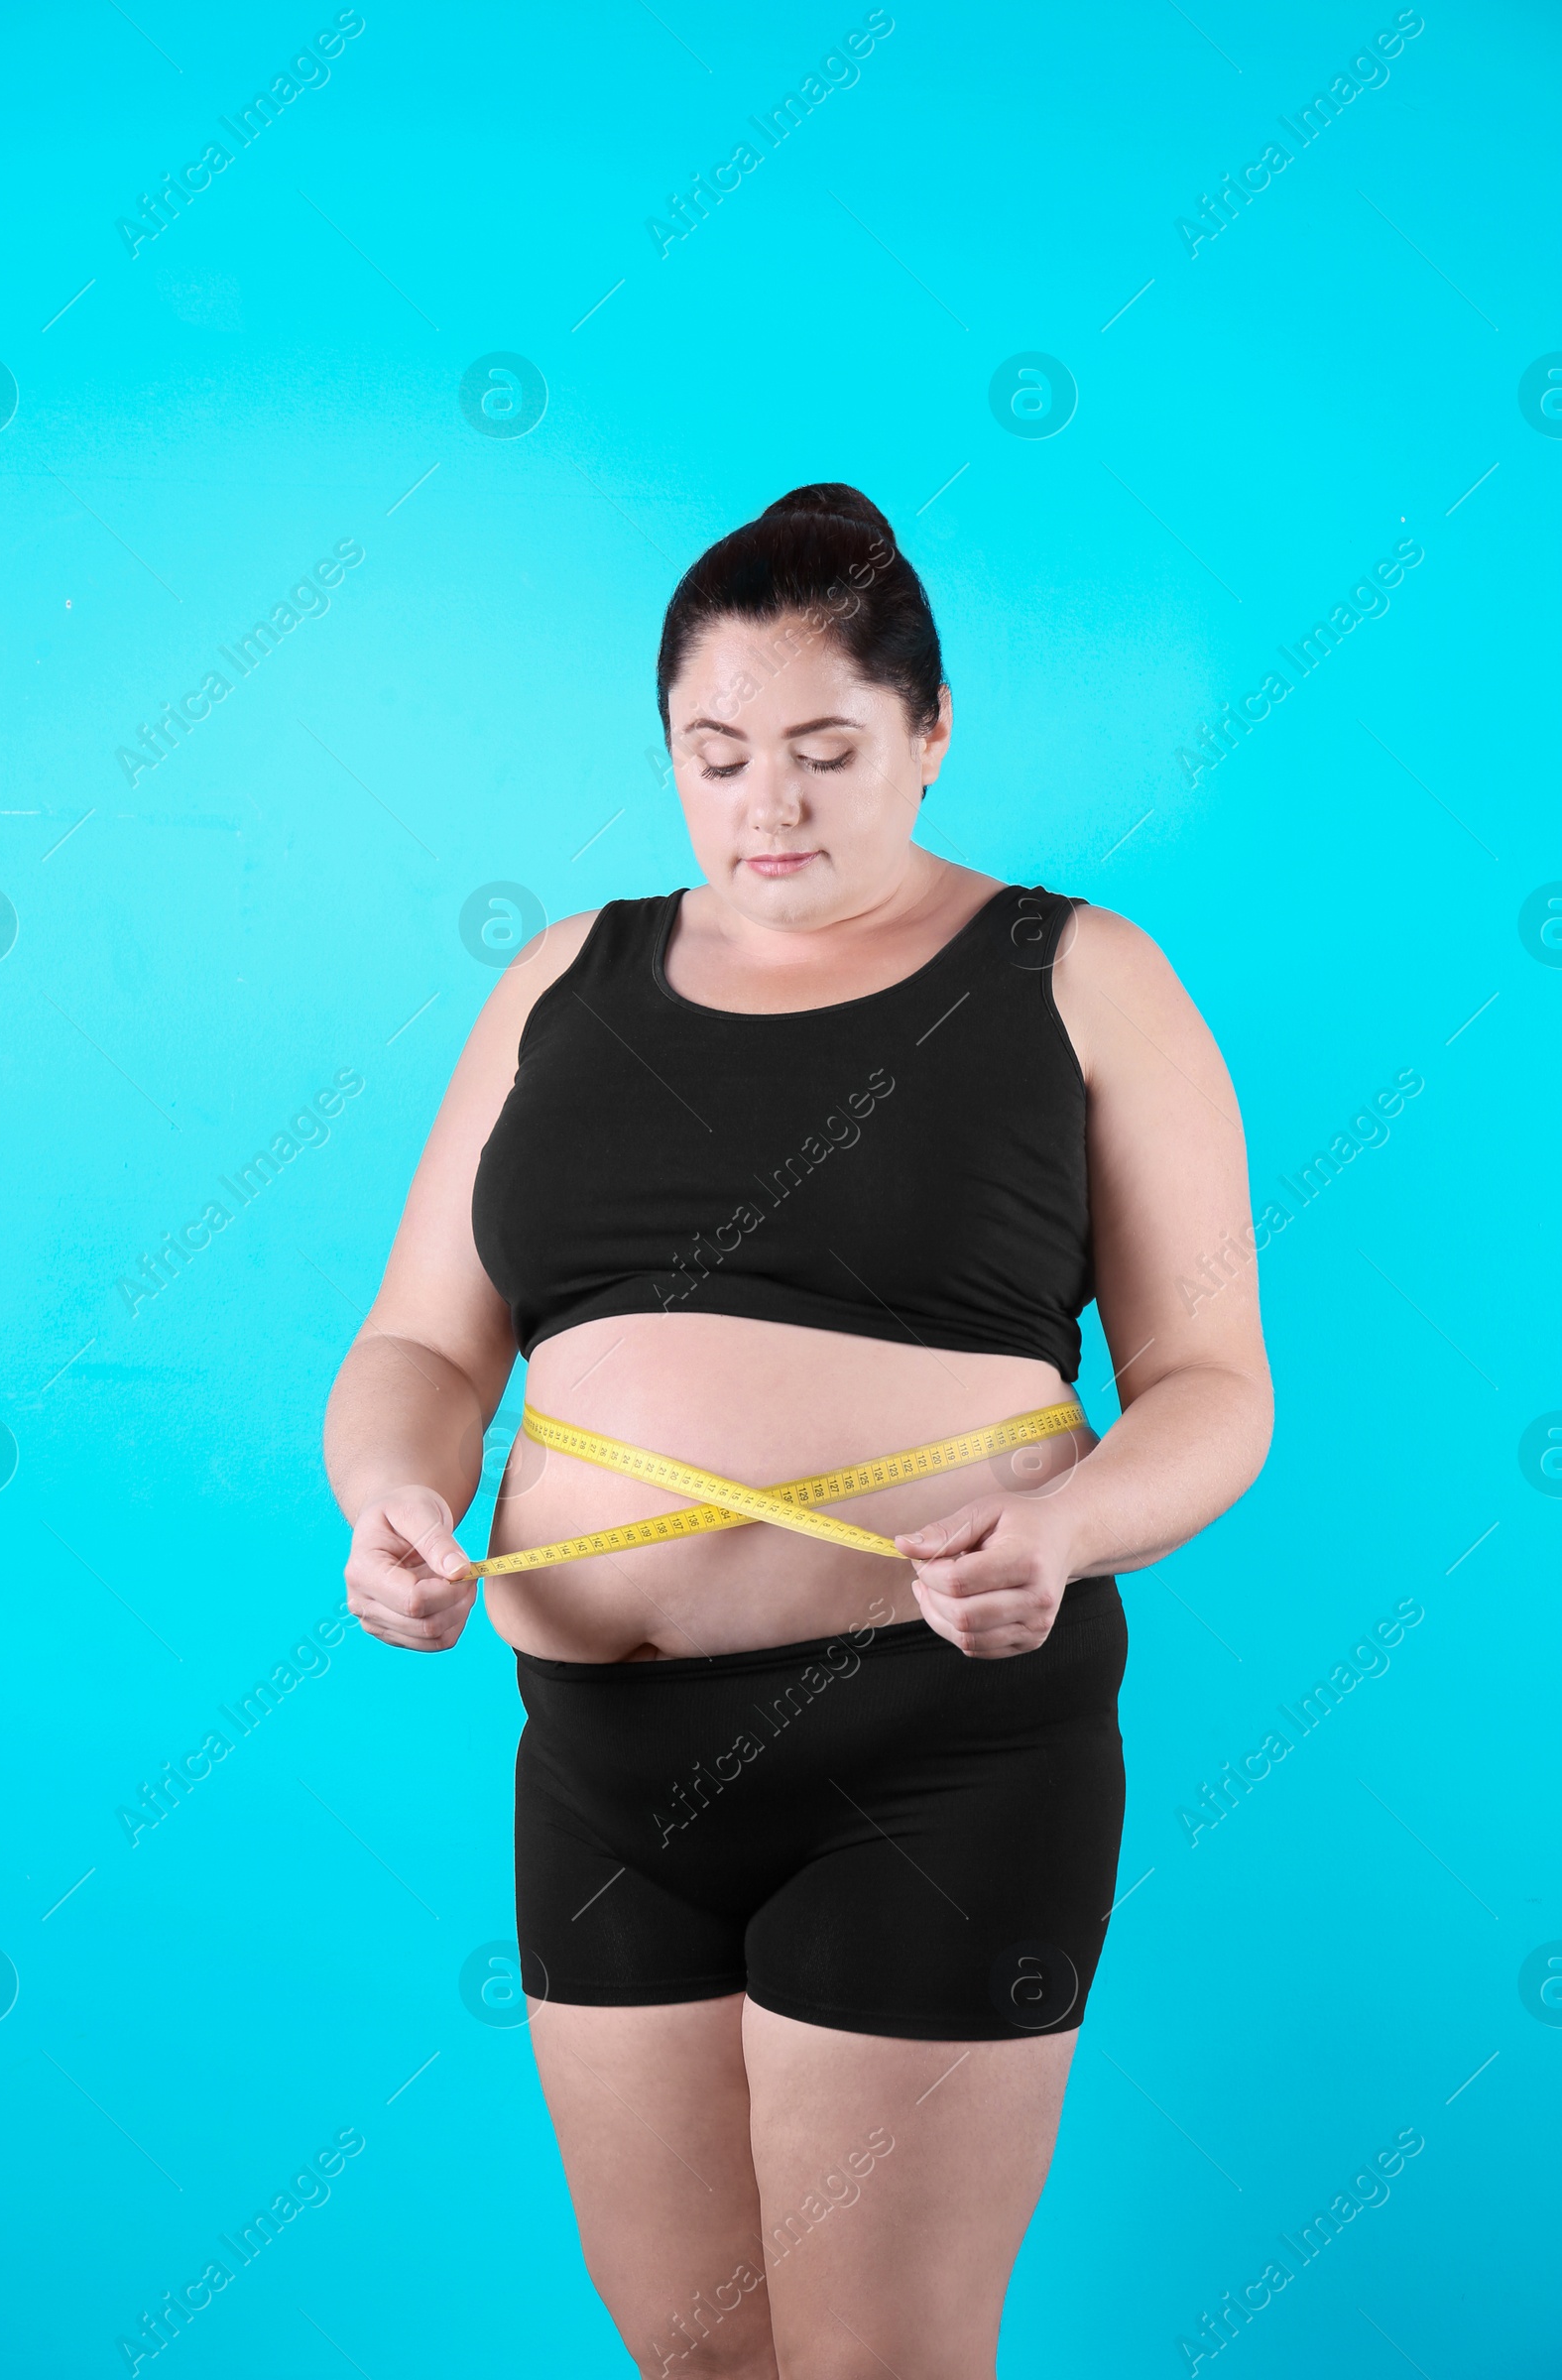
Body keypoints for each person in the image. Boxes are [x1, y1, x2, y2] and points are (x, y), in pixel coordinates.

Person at [323, 483, 1272, 2379]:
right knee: (692, 2355)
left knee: (880, 2368)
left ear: (930, 739)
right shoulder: (562, 982)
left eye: (829, 750)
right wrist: (393, 1497)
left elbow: (1212, 1391)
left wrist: (1071, 1534)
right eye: (720, 752)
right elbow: (425, 1337)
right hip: (602, 1772)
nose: (771, 803)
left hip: (932, 1758)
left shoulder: (1078, 978)